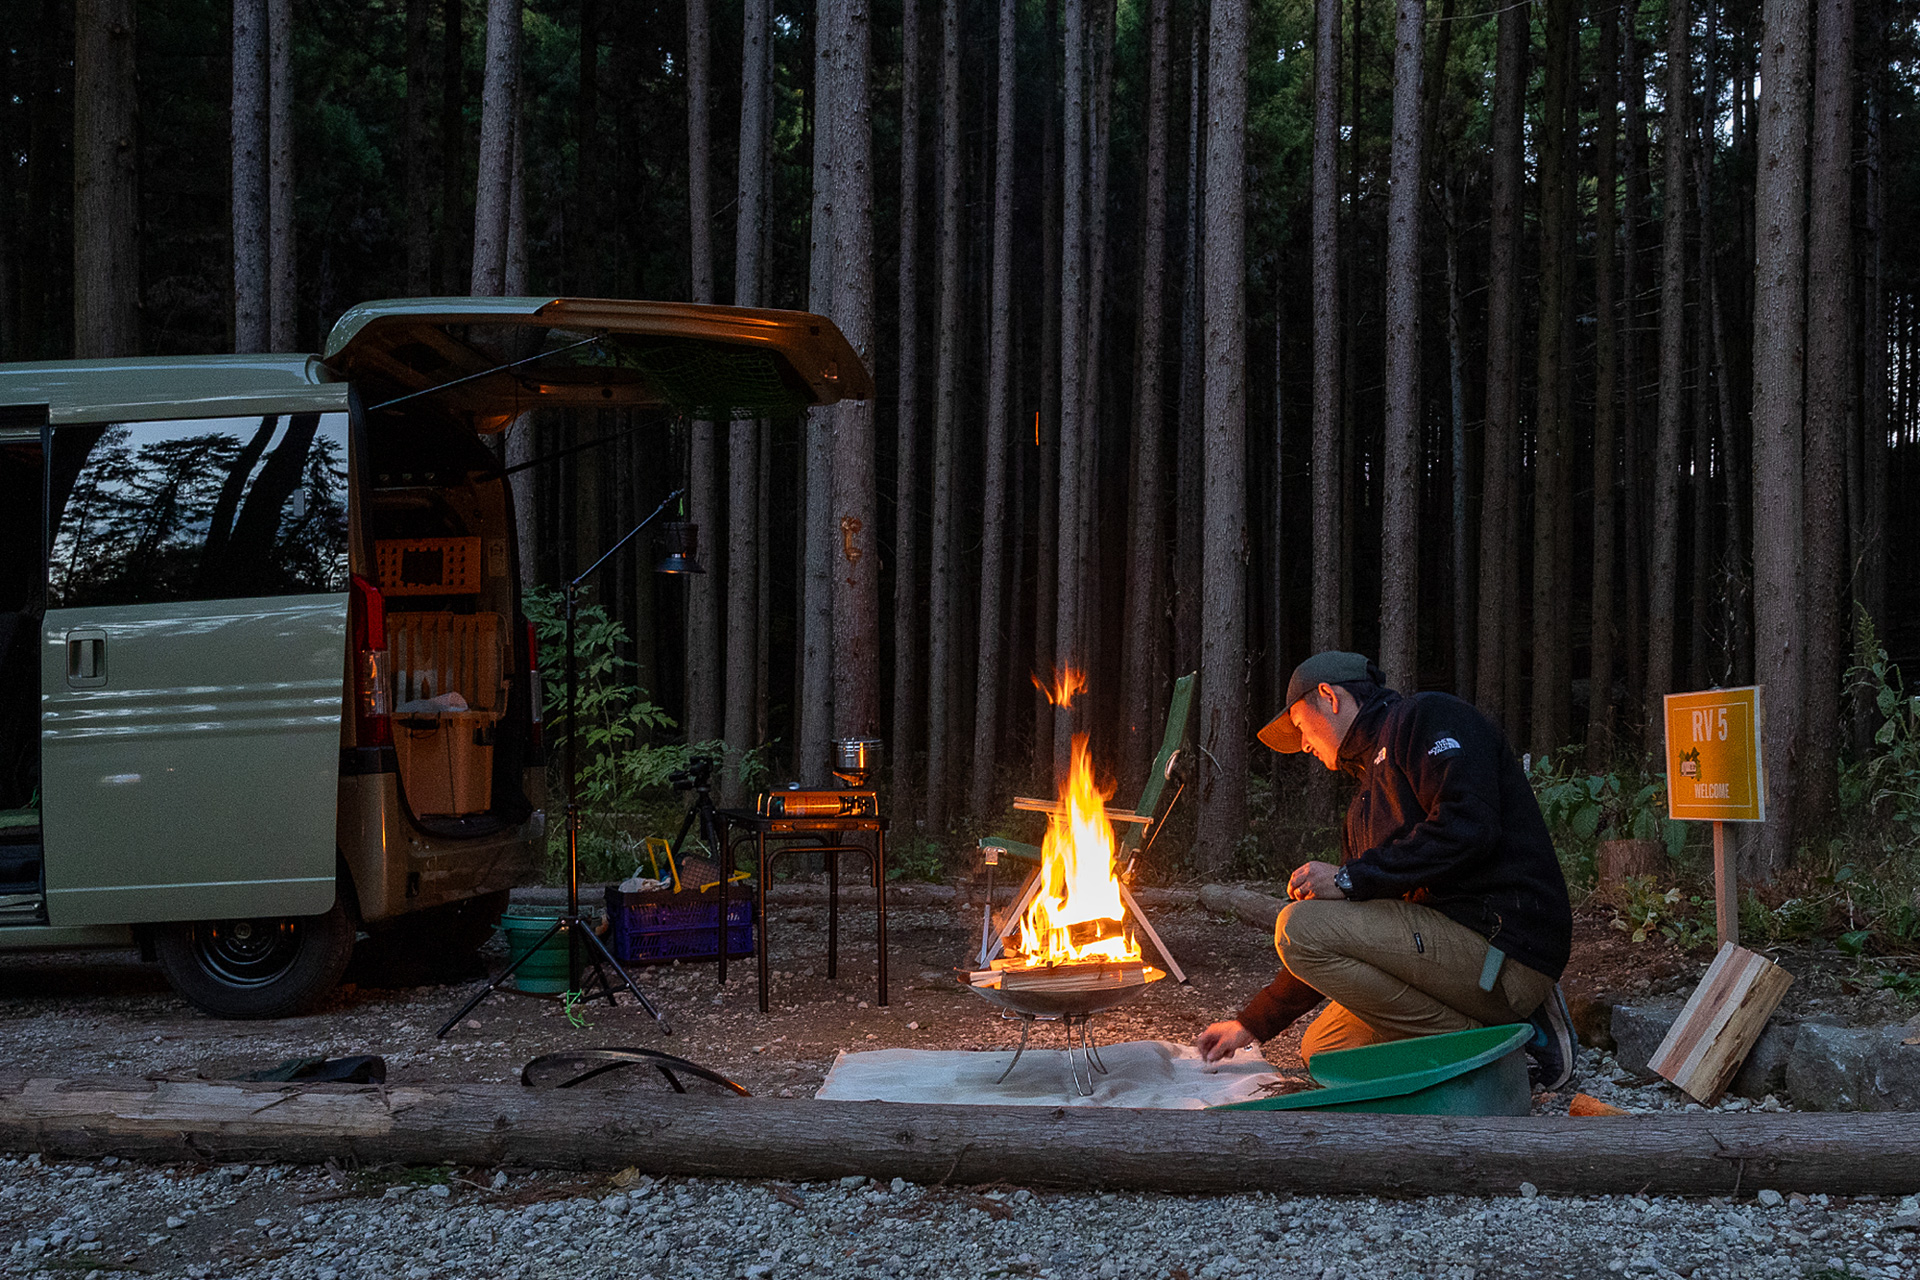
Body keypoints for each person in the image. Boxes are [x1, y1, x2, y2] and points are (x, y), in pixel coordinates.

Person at [1195, 651, 1576, 1089]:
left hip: (1502, 944)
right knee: (1325, 1047)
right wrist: (1251, 1025)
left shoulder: (1423, 718)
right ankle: (1489, 1041)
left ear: (1329, 696)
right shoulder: (1362, 810)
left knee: (1297, 926)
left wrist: (1347, 878)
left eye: (1301, 726)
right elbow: (1348, 941)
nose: (1303, 745)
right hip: (1442, 956)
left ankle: (1516, 1037)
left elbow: (1469, 827)